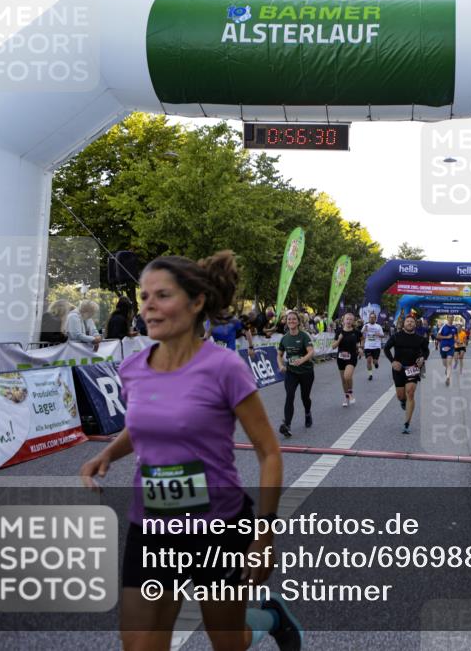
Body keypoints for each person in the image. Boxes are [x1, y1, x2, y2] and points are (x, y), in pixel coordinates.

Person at [78, 251, 301, 651]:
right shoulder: (132, 368)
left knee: (229, 642)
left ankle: (269, 618)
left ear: (196, 302)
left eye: (162, 295)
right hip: (151, 527)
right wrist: (108, 454)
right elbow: (145, 424)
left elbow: (269, 452)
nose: (148, 305)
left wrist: (265, 533)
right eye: (144, 296)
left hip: (218, 525)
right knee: (140, 645)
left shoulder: (224, 367)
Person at [383, 314, 429, 434]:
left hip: (413, 368)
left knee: (410, 392)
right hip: (398, 369)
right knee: (400, 395)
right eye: (408, 321)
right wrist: (393, 361)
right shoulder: (396, 336)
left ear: (415, 324)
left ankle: (407, 423)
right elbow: (386, 348)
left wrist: (423, 358)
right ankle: (403, 401)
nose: (409, 323)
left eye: (412, 322)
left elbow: (426, 350)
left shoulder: (420, 338)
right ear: (404, 324)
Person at [277, 310, 315, 437]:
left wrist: (302, 360)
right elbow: (279, 355)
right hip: (291, 372)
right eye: (289, 319)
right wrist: (281, 365)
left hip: (306, 372)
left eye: (294, 319)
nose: (291, 321)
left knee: (305, 397)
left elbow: (311, 352)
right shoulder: (284, 338)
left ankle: (308, 413)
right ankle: (287, 425)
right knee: (290, 396)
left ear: (298, 322)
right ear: (286, 322)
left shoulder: (304, 336)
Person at [334, 312, 363, 407]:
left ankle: (350, 393)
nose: (349, 321)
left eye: (351, 319)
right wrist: (339, 339)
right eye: (347, 319)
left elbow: (362, 339)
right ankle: (346, 397)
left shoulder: (356, 332)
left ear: (353, 321)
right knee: (343, 380)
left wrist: (360, 348)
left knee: (347, 376)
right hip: (340, 358)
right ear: (343, 320)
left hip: (352, 357)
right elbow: (333, 346)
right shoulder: (338, 331)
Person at [362, 312, 384, 381]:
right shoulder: (366, 326)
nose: (371, 319)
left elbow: (383, 335)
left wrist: (379, 334)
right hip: (368, 346)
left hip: (376, 346)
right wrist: (364, 330)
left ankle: (376, 363)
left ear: (375, 319)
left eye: (373, 318)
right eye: (370, 317)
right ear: (369, 318)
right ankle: (370, 374)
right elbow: (361, 334)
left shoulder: (378, 326)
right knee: (368, 360)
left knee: (374, 361)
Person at [435, 318, 458, 386]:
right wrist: (447, 337)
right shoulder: (443, 327)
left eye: (452, 318)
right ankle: (446, 368)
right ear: (448, 319)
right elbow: (438, 336)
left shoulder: (454, 328)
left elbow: (456, 336)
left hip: (451, 347)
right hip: (443, 347)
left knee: (449, 363)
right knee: (444, 363)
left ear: (453, 319)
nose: (451, 319)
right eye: (450, 318)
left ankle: (448, 378)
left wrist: (456, 341)